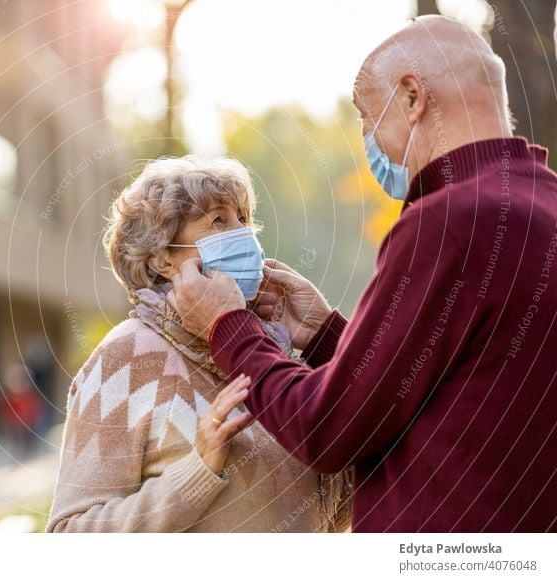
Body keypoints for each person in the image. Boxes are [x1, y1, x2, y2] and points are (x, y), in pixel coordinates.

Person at [168, 15, 557, 532]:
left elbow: (329, 429)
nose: (367, 139)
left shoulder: (447, 222)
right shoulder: (541, 201)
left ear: (414, 97)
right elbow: (438, 385)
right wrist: (330, 335)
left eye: (366, 114)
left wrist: (227, 327)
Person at [46, 157, 351, 532]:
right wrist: (198, 470)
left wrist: (326, 341)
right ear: (161, 259)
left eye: (243, 217)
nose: (243, 234)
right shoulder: (126, 358)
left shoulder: (271, 348)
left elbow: (332, 511)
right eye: (219, 220)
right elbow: (70, 534)